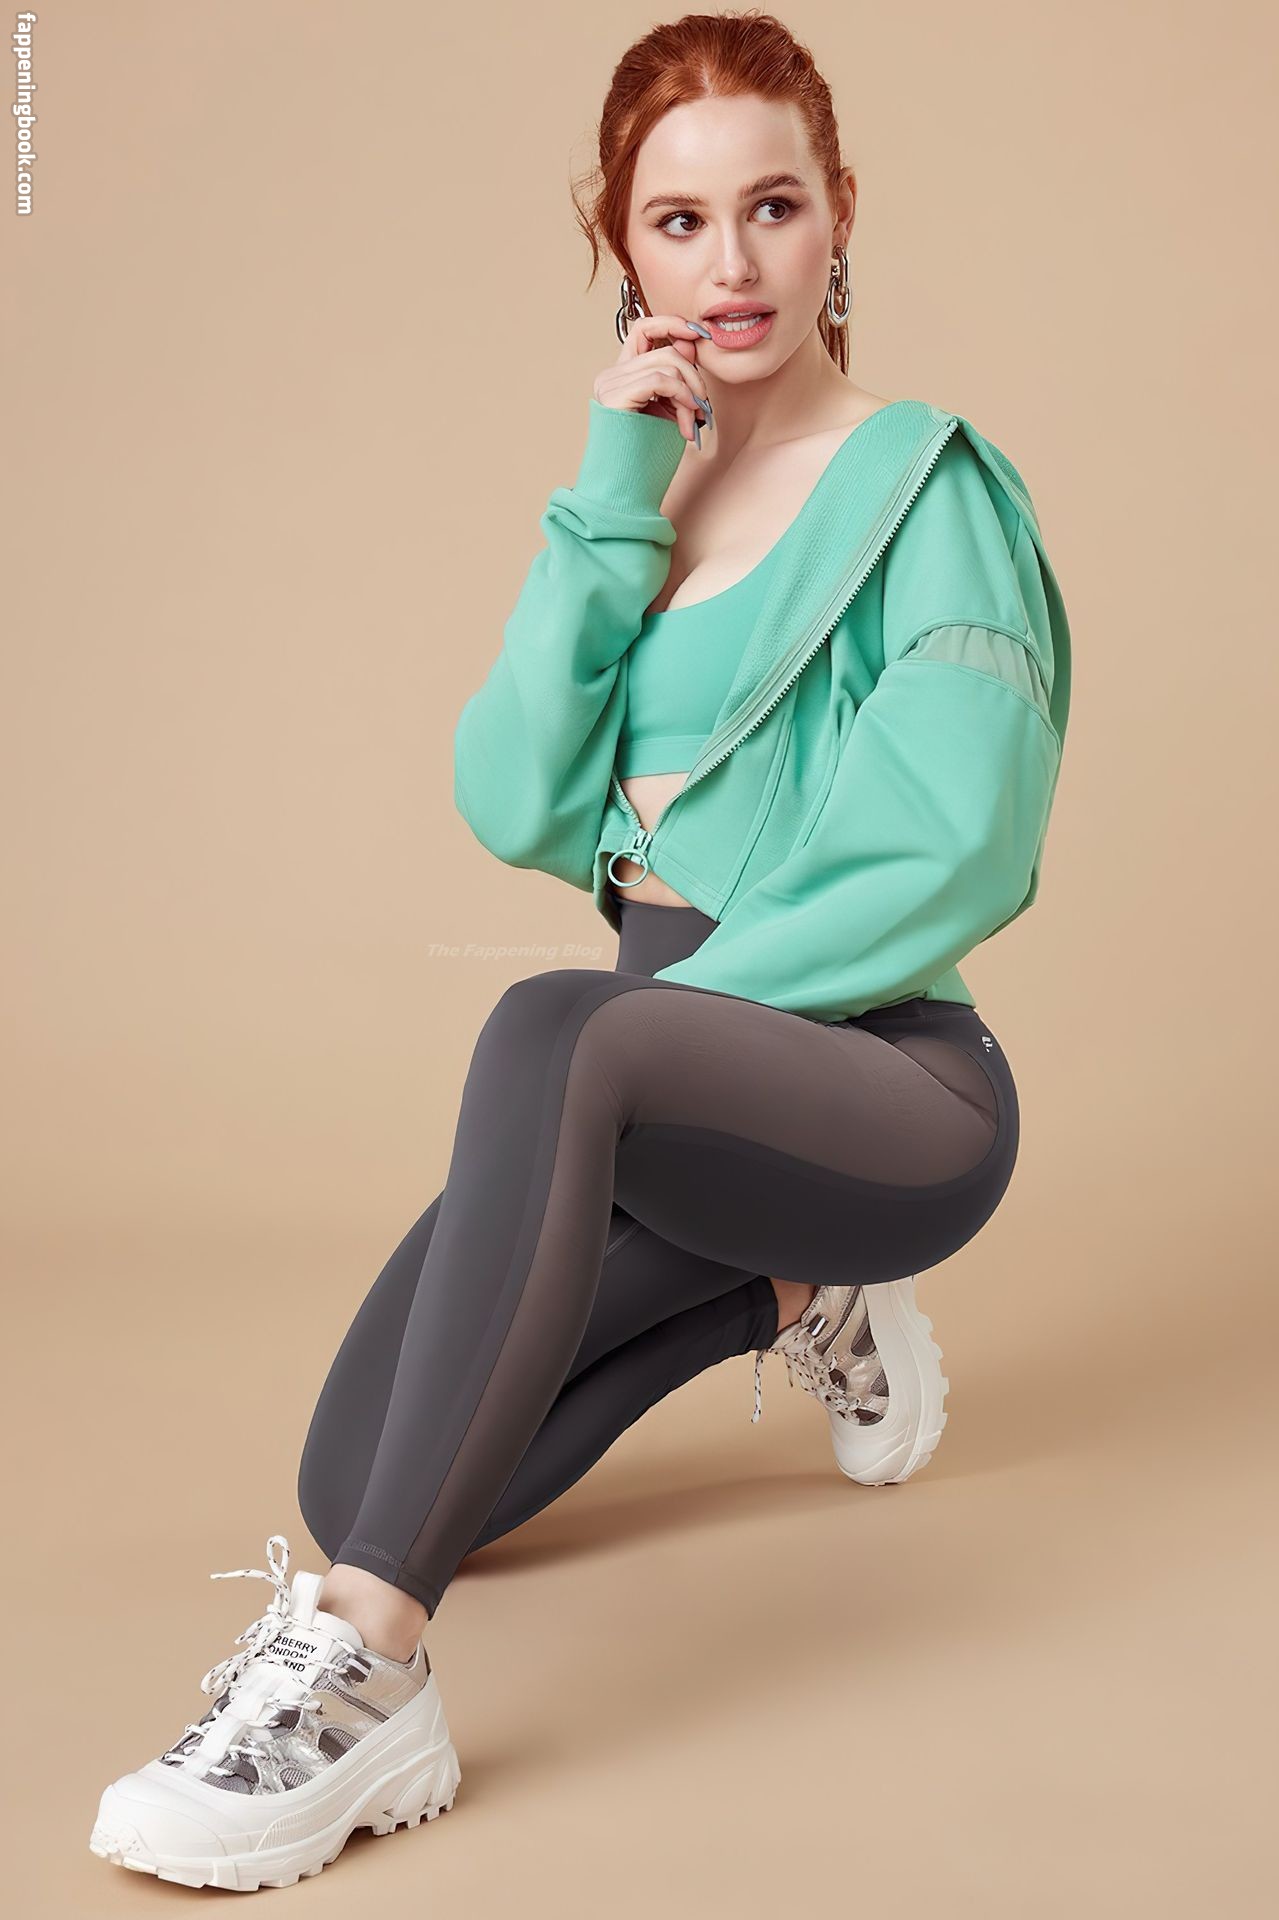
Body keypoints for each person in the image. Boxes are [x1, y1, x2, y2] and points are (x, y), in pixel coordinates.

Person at [90, 10, 1069, 1892]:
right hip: (656, 1086)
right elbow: (516, 793)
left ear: (838, 215)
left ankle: (363, 1673)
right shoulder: (646, 495)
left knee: (561, 1032)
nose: (731, 264)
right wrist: (613, 497)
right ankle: (796, 1296)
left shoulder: (926, 484)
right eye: (679, 222)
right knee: (359, 1467)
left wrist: (641, 1043)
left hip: (883, 1085)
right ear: (622, 250)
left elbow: (957, 838)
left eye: (772, 206)